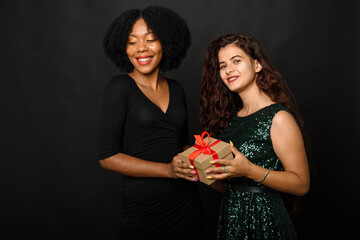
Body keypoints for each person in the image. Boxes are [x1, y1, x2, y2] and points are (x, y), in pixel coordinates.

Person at [98, 6, 200, 240]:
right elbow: (107, 157)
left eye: (151, 39)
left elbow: (181, 146)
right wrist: (168, 170)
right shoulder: (120, 87)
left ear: (166, 42)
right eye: (132, 42)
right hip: (143, 212)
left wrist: (211, 154)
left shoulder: (177, 89)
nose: (141, 48)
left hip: (186, 207)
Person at [199, 34, 310, 239]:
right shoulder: (231, 120)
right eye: (222, 66)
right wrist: (199, 171)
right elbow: (230, 186)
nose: (228, 70)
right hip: (231, 219)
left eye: (236, 61)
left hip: (264, 219)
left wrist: (250, 169)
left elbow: (302, 184)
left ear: (257, 65)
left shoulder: (278, 117)